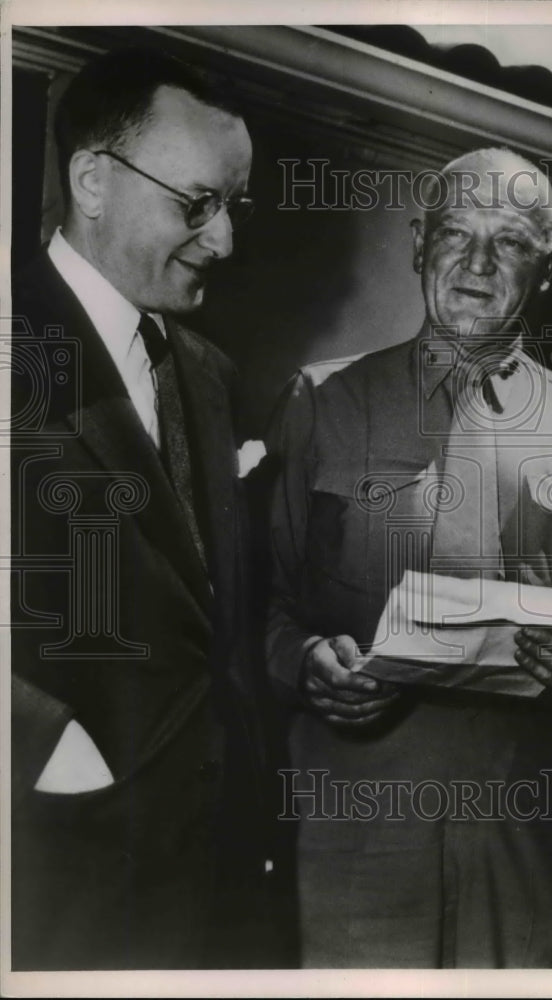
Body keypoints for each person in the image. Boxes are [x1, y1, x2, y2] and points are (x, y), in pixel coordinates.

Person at [265, 147, 552, 968]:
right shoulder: (321, 401)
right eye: (455, 234)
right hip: (355, 824)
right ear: (417, 243)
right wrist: (303, 660)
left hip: (532, 827)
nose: (477, 264)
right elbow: (258, 606)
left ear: (546, 270)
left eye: (509, 242)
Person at [10, 47, 278, 969]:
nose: (225, 241)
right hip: (56, 878)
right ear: (92, 179)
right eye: (196, 203)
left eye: (233, 206)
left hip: (211, 883)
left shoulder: (209, 374)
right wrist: (47, 748)